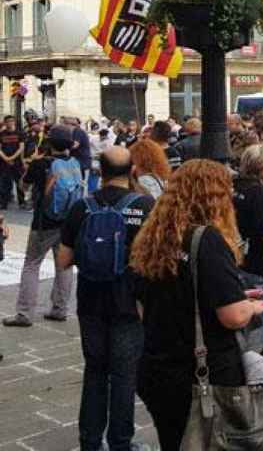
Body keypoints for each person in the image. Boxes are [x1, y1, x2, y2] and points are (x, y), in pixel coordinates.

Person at [131, 160, 263, 450]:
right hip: (201, 373)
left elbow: (143, 301)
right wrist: (250, 308)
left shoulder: (155, 237)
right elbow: (232, 316)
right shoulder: (206, 239)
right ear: (214, 197)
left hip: (157, 364)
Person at [55, 146, 154, 451]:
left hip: (90, 302)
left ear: (101, 170)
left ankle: (90, 441)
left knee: (95, 370)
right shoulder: (146, 206)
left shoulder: (82, 207)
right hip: (129, 303)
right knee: (124, 376)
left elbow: (63, 260)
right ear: (132, 170)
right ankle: (121, 442)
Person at [2, 126, 81, 327]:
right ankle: (59, 309)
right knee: (63, 265)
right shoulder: (74, 163)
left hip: (43, 223)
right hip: (67, 222)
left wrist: (33, 164)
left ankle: (24, 313)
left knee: (31, 264)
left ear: (49, 142)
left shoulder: (41, 164)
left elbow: (24, 186)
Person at [233, 143, 263, 353]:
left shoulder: (238, 187)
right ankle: (249, 357)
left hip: (240, 259)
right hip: (258, 263)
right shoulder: (259, 192)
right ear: (261, 166)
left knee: (248, 311)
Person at [0, 115, 25, 210]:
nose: (10, 123)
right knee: (4, 183)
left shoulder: (20, 133)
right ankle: (4, 203)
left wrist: (12, 158)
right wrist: (6, 158)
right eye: (8, 121)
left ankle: (22, 202)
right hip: (4, 163)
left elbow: (21, 148)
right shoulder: (1, 134)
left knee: (19, 182)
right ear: (5, 123)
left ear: (14, 122)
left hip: (17, 162)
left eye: (12, 121)